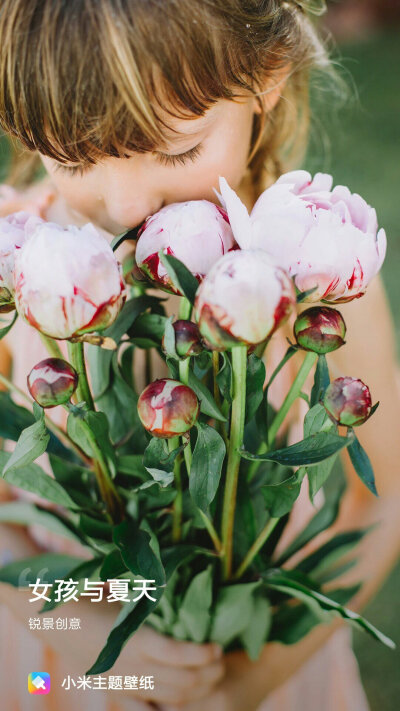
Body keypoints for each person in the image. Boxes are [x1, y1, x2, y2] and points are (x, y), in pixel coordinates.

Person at [0, 1, 399, 709]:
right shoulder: (19, 269)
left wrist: (249, 685)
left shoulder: (325, 281)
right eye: (74, 153)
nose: (124, 206)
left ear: (266, 78)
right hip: (59, 671)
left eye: (177, 148)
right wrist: (87, 616)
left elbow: (382, 508)